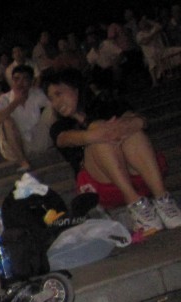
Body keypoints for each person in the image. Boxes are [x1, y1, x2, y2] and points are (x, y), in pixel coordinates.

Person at [45, 68, 181, 234]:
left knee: (132, 131)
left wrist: (131, 124)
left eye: (58, 94)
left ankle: (163, 198)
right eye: (51, 98)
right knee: (100, 138)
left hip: (140, 173)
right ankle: (135, 203)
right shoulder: (59, 127)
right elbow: (65, 138)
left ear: (76, 88)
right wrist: (98, 132)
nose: (56, 103)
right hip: (101, 185)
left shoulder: (107, 105)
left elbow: (138, 119)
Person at [0, 64, 51, 172]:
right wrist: (16, 102)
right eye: (16, 79)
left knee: (52, 110)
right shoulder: (3, 100)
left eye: (24, 79)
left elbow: (54, 106)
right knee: (6, 121)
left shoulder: (36, 94)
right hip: (14, 146)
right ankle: (23, 162)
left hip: (36, 140)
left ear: (31, 81)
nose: (20, 83)